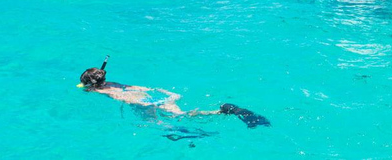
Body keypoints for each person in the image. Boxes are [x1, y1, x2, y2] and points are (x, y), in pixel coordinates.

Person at [78, 63, 270, 128]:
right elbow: (140, 86)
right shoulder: (113, 83)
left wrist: (87, 86)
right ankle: (224, 111)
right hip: (149, 95)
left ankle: (184, 133)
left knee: (159, 124)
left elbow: (86, 89)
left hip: (142, 103)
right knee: (181, 113)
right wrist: (168, 93)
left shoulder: (97, 89)